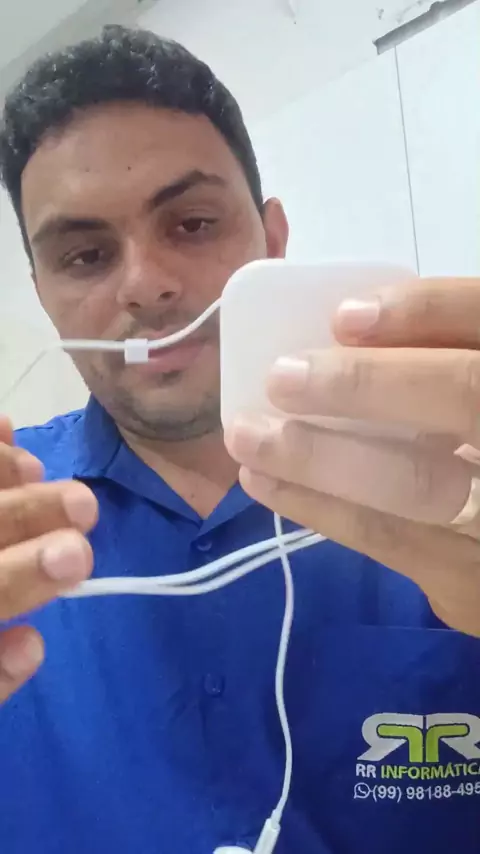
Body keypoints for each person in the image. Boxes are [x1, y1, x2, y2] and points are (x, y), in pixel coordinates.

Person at [0, 24, 479, 854]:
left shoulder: (447, 479)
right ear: (42, 293)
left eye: (191, 224)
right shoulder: (16, 522)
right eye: (85, 255)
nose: (147, 285)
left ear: (273, 241)